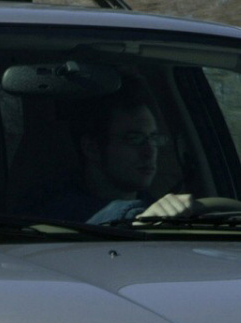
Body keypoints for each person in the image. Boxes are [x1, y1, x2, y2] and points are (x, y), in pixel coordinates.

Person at [38, 82, 196, 225]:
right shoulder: (52, 215)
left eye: (153, 138)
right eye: (134, 139)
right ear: (91, 148)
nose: (149, 152)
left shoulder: (159, 207)